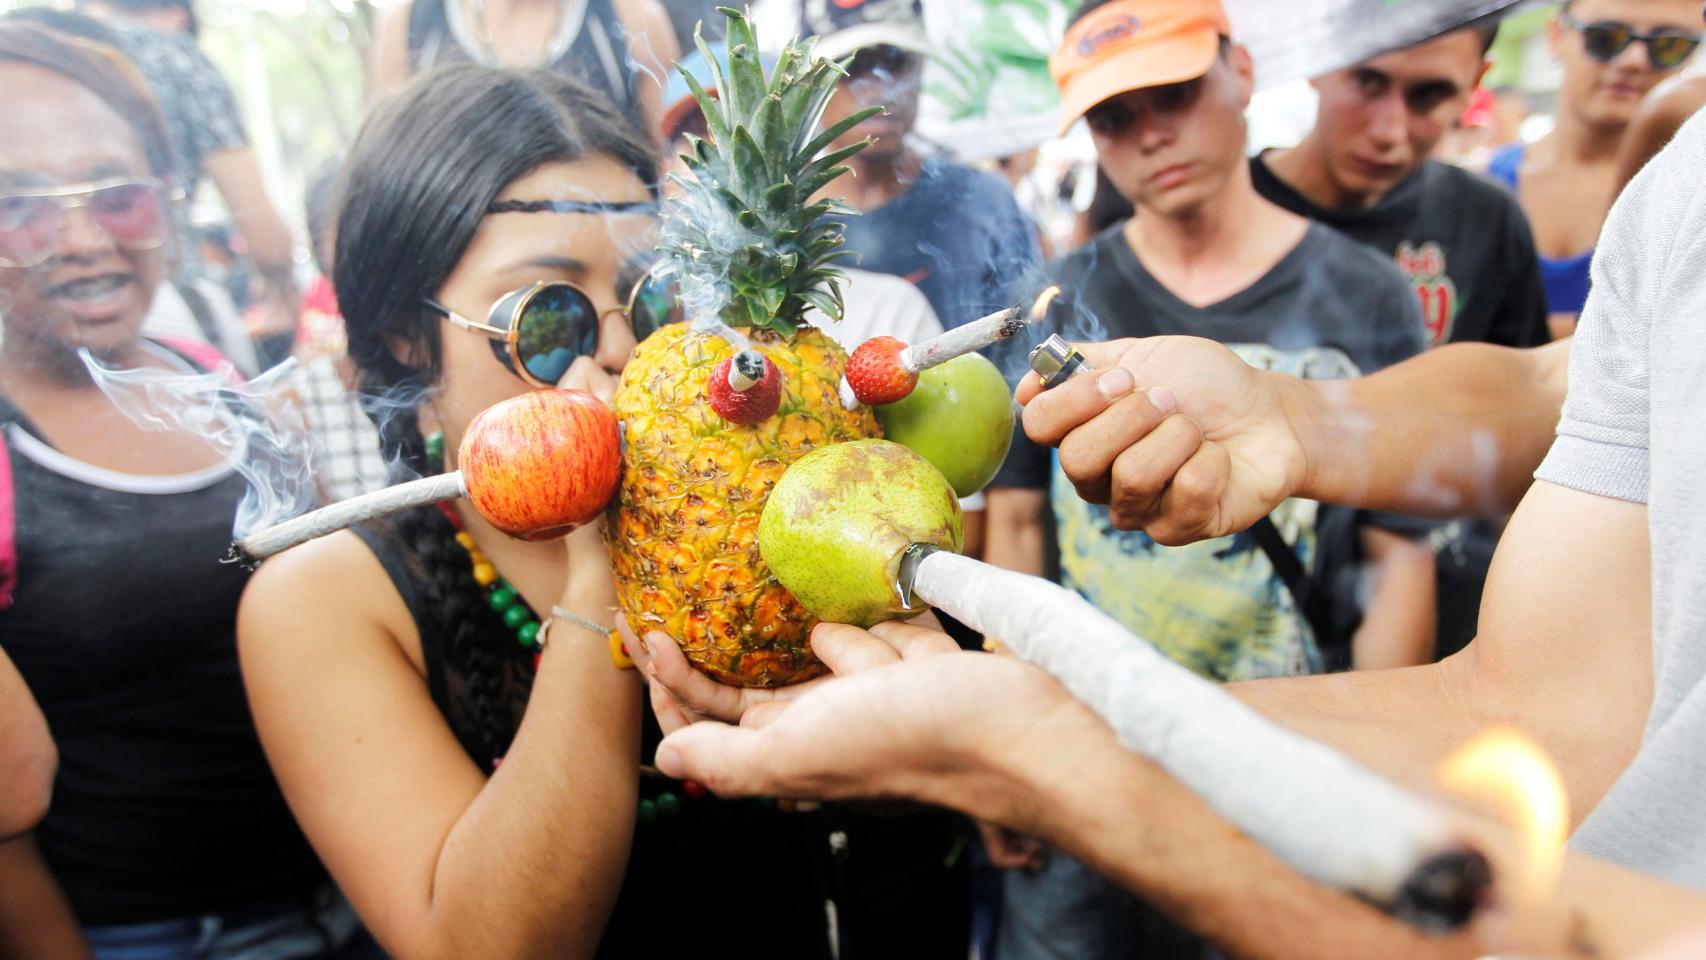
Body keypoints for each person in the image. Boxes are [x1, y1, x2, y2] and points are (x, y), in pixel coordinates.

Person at [647, 102, 1706, 957]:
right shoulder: (1680, 190)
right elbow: (1530, 703)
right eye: (1115, 117)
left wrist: (1031, 753)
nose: (1152, 134)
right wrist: (1287, 418)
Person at [238, 63, 972, 959]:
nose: (622, 348)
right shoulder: (320, 600)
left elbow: (920, 781)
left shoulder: (771, 499)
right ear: (404, 336)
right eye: (549, 322)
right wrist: (599, 562)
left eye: (650, 297)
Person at [978, 0, 1433, 953]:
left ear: (1242, 73)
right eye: (1114, 117)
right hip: (1087, 754)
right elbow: (1017, 525)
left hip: (1284, 759)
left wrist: (1378, 772)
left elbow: (1397, 553)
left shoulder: (1363, 295)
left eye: (1175, 94)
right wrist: (1005, 748)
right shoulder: (1058, 300)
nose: (1151, 134)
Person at [0, 22, 367, 958]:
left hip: (366, 889)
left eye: (116, 195)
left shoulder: (219, 376)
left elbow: (347, 606)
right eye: (20, 205)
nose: (82, 240)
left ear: (165, 197)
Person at [1250, 22, 1552, 662]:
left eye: (1428, 95)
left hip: (1440, 603)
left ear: (1474, 83)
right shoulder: (1218, 211)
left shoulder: (1489, 220)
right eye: (1368, 82)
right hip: (1252, 598)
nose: (1390, 130)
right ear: (1318, 59)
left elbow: (1527, 433)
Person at [66, 0, 303, 365]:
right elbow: (256, 218)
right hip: (165, 304)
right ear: (178, 14)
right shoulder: (177, 57)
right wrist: (281, 291)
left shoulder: (37, 57)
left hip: (41, 323)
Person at [805, 0, 1041, 329]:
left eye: (895, 61)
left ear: (919, 69)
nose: (878, 90)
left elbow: (1027, 335)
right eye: (852, 67)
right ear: (813, 84)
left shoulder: (981, 202)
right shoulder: (781, 225)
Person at [1486, 0, 1702, 339]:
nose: (1634, 60)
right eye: (1606, 37)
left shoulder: (1689, 204)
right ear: (1557, 35)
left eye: (1668, 45)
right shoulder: (1481, 184)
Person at [369, 0, 679, 143]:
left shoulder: (631, 15)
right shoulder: (409, 27)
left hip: (612, 244)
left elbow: (676, 160)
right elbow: (389, 173)